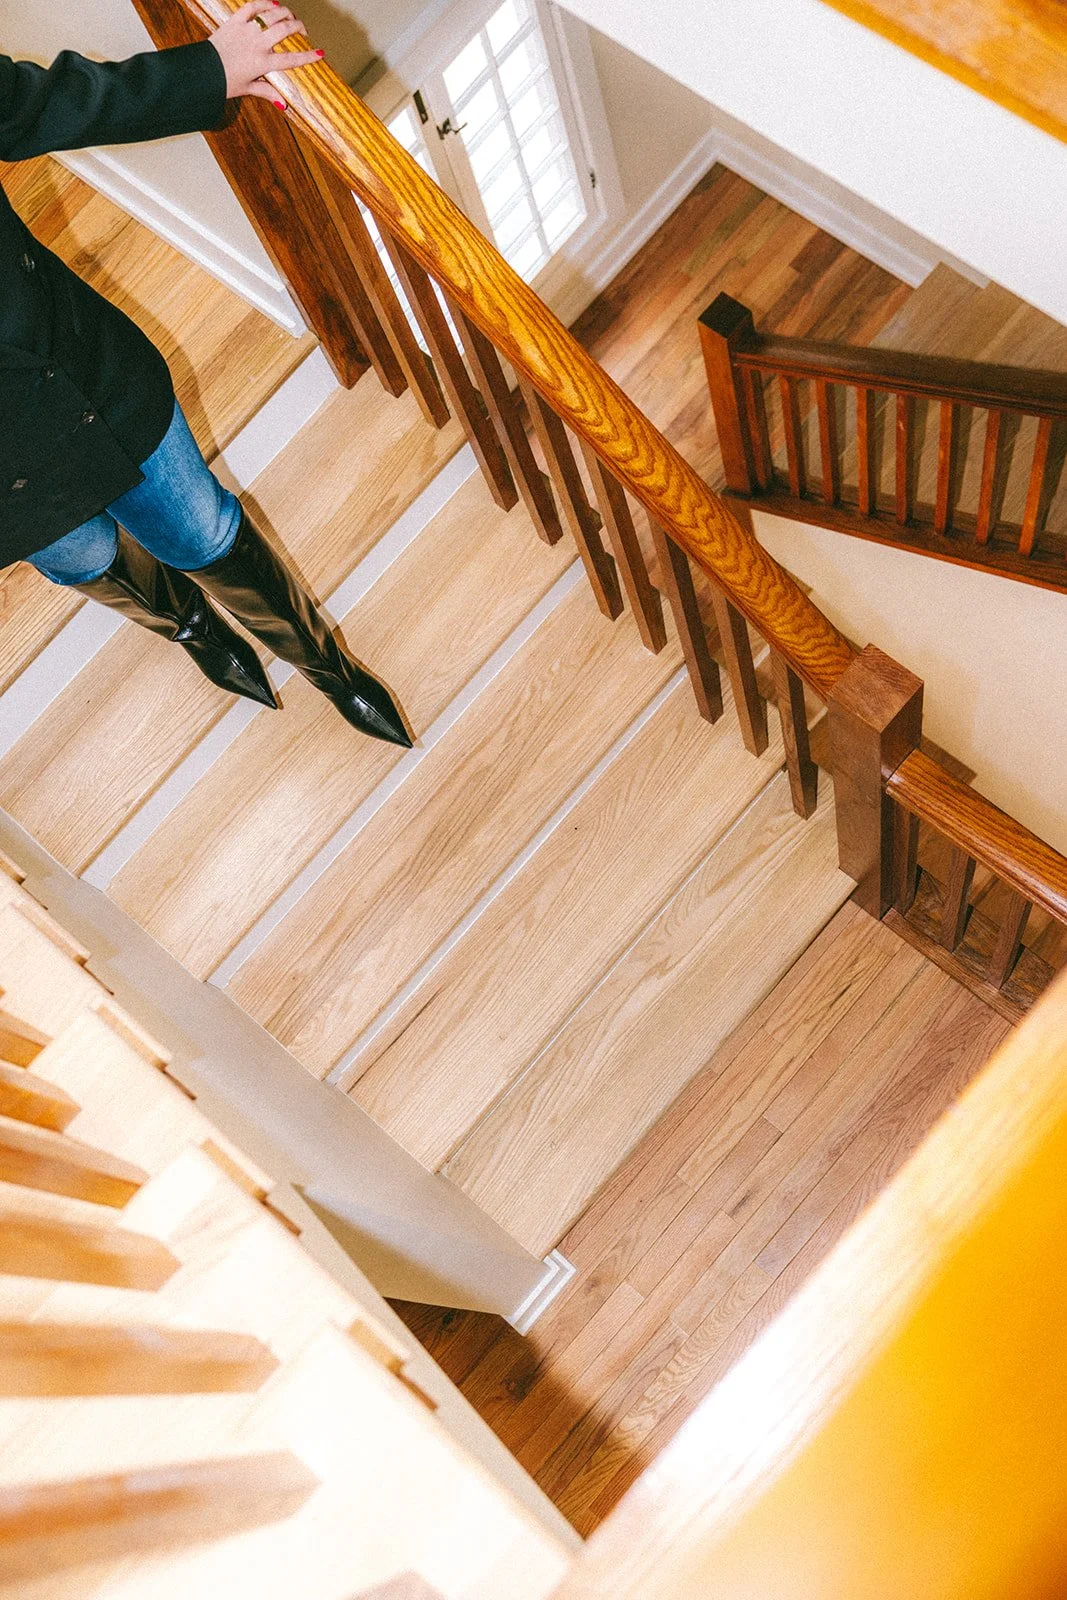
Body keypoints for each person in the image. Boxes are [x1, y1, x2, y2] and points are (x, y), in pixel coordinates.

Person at [0, 4, 411, 748]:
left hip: (76, 369)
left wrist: (210, 69)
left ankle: (325, 663)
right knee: (90, 557)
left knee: (201, 529)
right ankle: (193, 629)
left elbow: (37, 104)